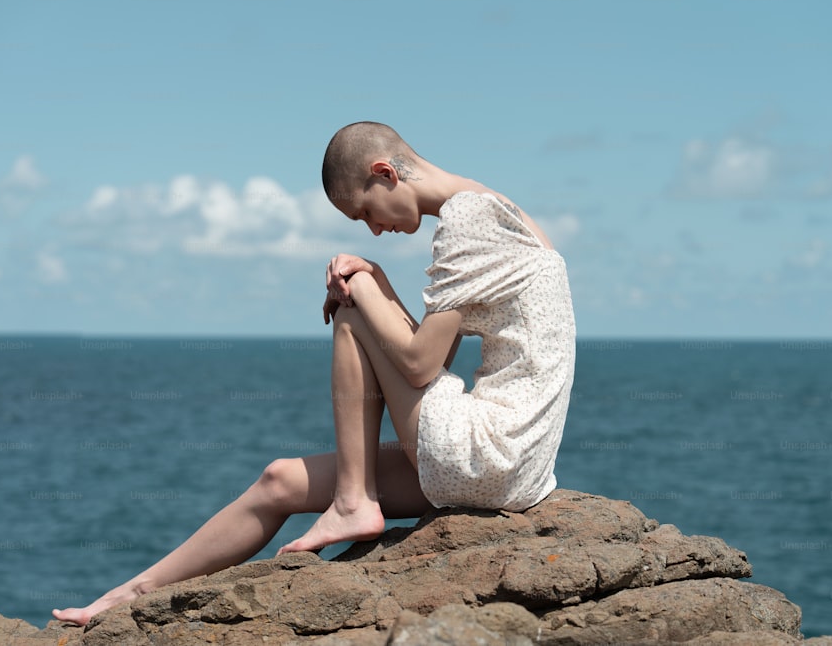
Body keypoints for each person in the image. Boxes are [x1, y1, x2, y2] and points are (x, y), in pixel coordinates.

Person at [53, 121, 575, 626]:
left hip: (482, 454)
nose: (375, 228)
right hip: (513, 471)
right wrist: (379, 278)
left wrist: (361, 286)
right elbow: (436, 364)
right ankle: (128, 594)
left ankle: (353, 501)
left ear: (385, 173)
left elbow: (419, 366)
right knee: (279, 480)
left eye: (366, 211)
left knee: (349, 306)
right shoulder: (502, 211)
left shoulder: (468, 220)